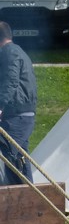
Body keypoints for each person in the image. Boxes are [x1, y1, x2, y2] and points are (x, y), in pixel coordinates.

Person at [0, 21, 38, 185]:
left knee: (8, 154)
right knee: (19, 158)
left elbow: (10, 82)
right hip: (23, 114)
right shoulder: (18, 52)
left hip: (16, 116)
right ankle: (28, 199)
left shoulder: (9, 53)